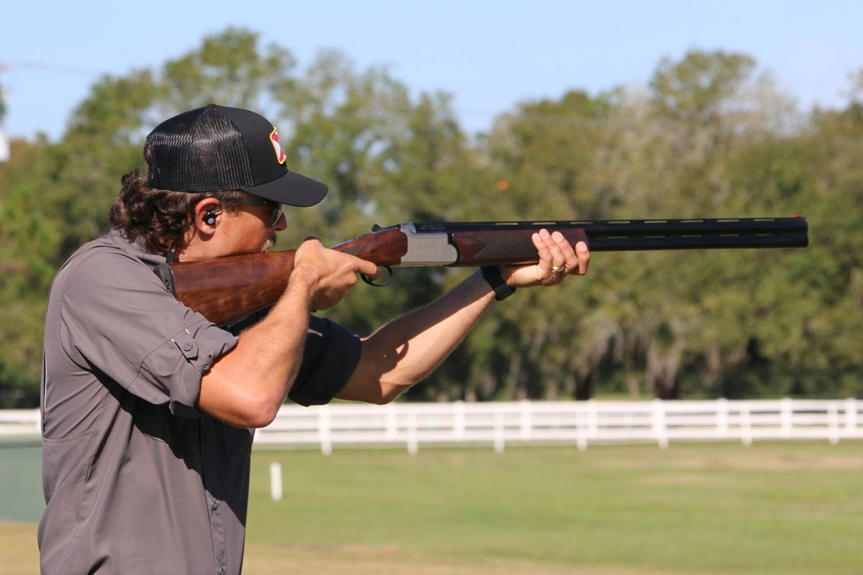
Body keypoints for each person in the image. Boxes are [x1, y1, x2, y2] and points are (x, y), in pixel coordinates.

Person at [38, 104, 590, 575]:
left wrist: (493, 280)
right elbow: (249, 397)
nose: (281, 229)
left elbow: (382, 371)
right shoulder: (102, 280)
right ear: (209, 215)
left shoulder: (243, 310)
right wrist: (301, 284)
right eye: (272, 210)